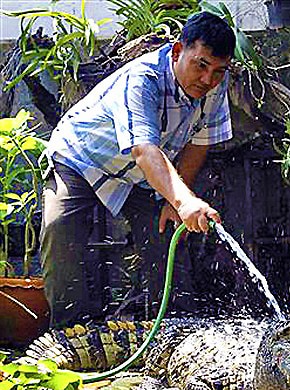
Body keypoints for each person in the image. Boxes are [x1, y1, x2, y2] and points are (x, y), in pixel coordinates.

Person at [40, 12, 236, 326]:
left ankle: (178, 332)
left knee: (167, 234)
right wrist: (185, 201)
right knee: (60, 227)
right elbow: (144, 150)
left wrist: (176, 202)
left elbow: (201, 141)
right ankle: (69, 333)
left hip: (142, 174)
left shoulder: (215, 84)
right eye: (201, 65)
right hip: (82, 158)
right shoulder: (142, 78)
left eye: (217, 71)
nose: (208, 80)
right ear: (176, 52)